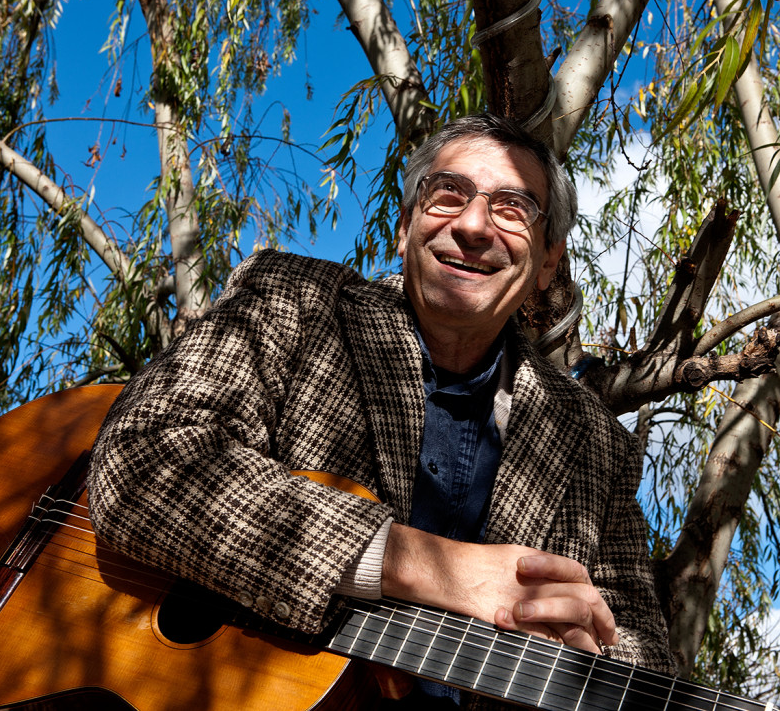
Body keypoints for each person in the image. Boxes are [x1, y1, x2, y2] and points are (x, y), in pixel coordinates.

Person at [88, 114, 674, 708]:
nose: (473, 225)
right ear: (403, 226)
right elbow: (142, 460)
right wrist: (434, 568)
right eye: (449, 194)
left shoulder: (594, 441)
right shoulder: (294, 301)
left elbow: (644, 651)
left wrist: (582, 651)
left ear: (549, 261)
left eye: (512, 209)